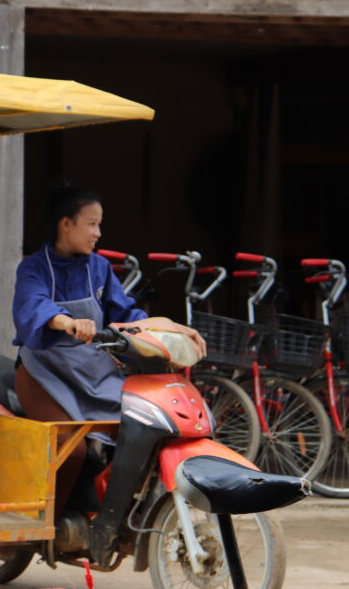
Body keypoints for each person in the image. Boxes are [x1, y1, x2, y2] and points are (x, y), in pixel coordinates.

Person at [12, 184, 206, 563]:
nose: (98, 233)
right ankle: (49, 529)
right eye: (91, 224)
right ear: (65, 224)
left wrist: (173, 327)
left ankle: (107, 514)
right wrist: (64, 321)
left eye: (99, 225)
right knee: (73, 449)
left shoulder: (99, 267)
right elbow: (32, 305)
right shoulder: (34, 267)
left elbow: (128, 314)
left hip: (91, 369)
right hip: (43, 374)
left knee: (143, 429)